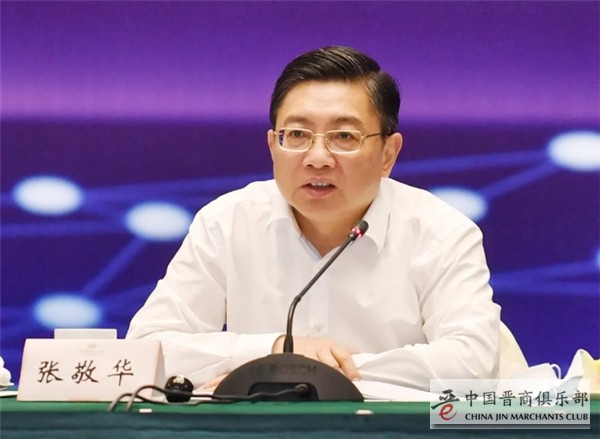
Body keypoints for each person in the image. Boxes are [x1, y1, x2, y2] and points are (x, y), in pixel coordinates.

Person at [126, 46, 501, 391]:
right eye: (297, 134)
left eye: (344, 136)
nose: (317, 157)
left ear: (388, 153)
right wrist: (272, 350)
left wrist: (302, 373)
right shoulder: (226, 223)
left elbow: (472, 363)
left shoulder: (441, 232)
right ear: (273, 146)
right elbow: (146, 351)